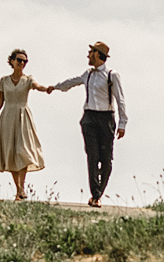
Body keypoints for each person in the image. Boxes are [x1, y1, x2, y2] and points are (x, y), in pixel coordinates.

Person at [50, 41, 127, 207]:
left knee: (106, 159)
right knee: (92, 156)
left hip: (106, 118)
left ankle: (99, 190)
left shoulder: (112, 75)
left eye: (90, 52)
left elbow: (120, 100)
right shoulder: (88, 74)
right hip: (89, 118)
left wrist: (122, 123)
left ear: (98, 54)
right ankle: (95, 195)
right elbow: (72, 82)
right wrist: (54, 87)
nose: (88, 56)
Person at [0, 49, 48, 200]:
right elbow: (0, 102)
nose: (22, 63)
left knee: (23, 150)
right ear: (12, 61)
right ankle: (19, 190)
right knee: (11, 153)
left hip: (23, 117)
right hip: (7, 117)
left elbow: (37, 85)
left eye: (24, 61)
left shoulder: (28, 80)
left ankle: (22, 188)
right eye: (19, 60)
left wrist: (47, 89)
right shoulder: (4, 80)